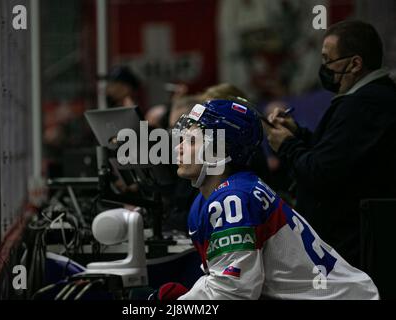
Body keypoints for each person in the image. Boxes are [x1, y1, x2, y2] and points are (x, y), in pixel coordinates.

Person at [160, 99, 379, 300]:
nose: (178, 148)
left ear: (220, 148)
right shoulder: (218, 196)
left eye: (190, 141)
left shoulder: (233, 199)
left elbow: (231, 292)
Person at [265, 20, 396, 267]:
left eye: (328, 60)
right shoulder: (369, 99)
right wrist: (299, 134)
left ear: (355, 64)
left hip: (352, 253)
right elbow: (337, 155)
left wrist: (287, 145)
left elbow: (321, 172)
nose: (323, 68)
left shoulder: (364, 104)